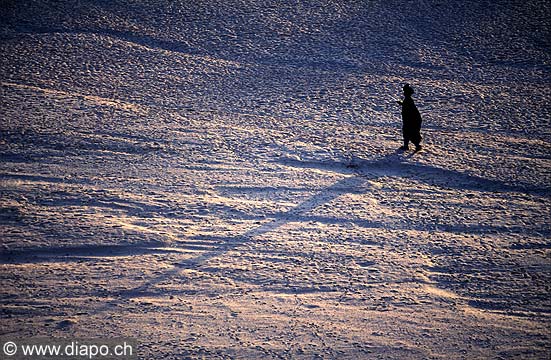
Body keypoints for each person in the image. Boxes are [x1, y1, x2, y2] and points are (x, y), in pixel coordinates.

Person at [397, 84, 422, 151]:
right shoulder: (408, 99)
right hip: (411, 119)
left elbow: (408, 108)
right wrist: (402, 103)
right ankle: (407, 146)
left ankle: (416, 146)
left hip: (411, 120)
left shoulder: (408, 100)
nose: (404, 93)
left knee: (410, 132)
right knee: (408, 132)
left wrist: (402, 104)